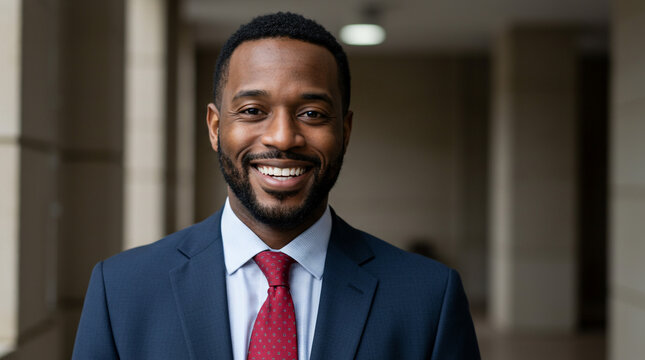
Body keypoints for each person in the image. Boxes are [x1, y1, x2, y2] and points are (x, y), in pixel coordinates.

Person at [72, 12, 481, 360]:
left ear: (346, 130)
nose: (283, 138)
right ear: (216, 127)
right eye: (253, 110)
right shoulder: (121, 290)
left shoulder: (429, 299)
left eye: (311, 113)